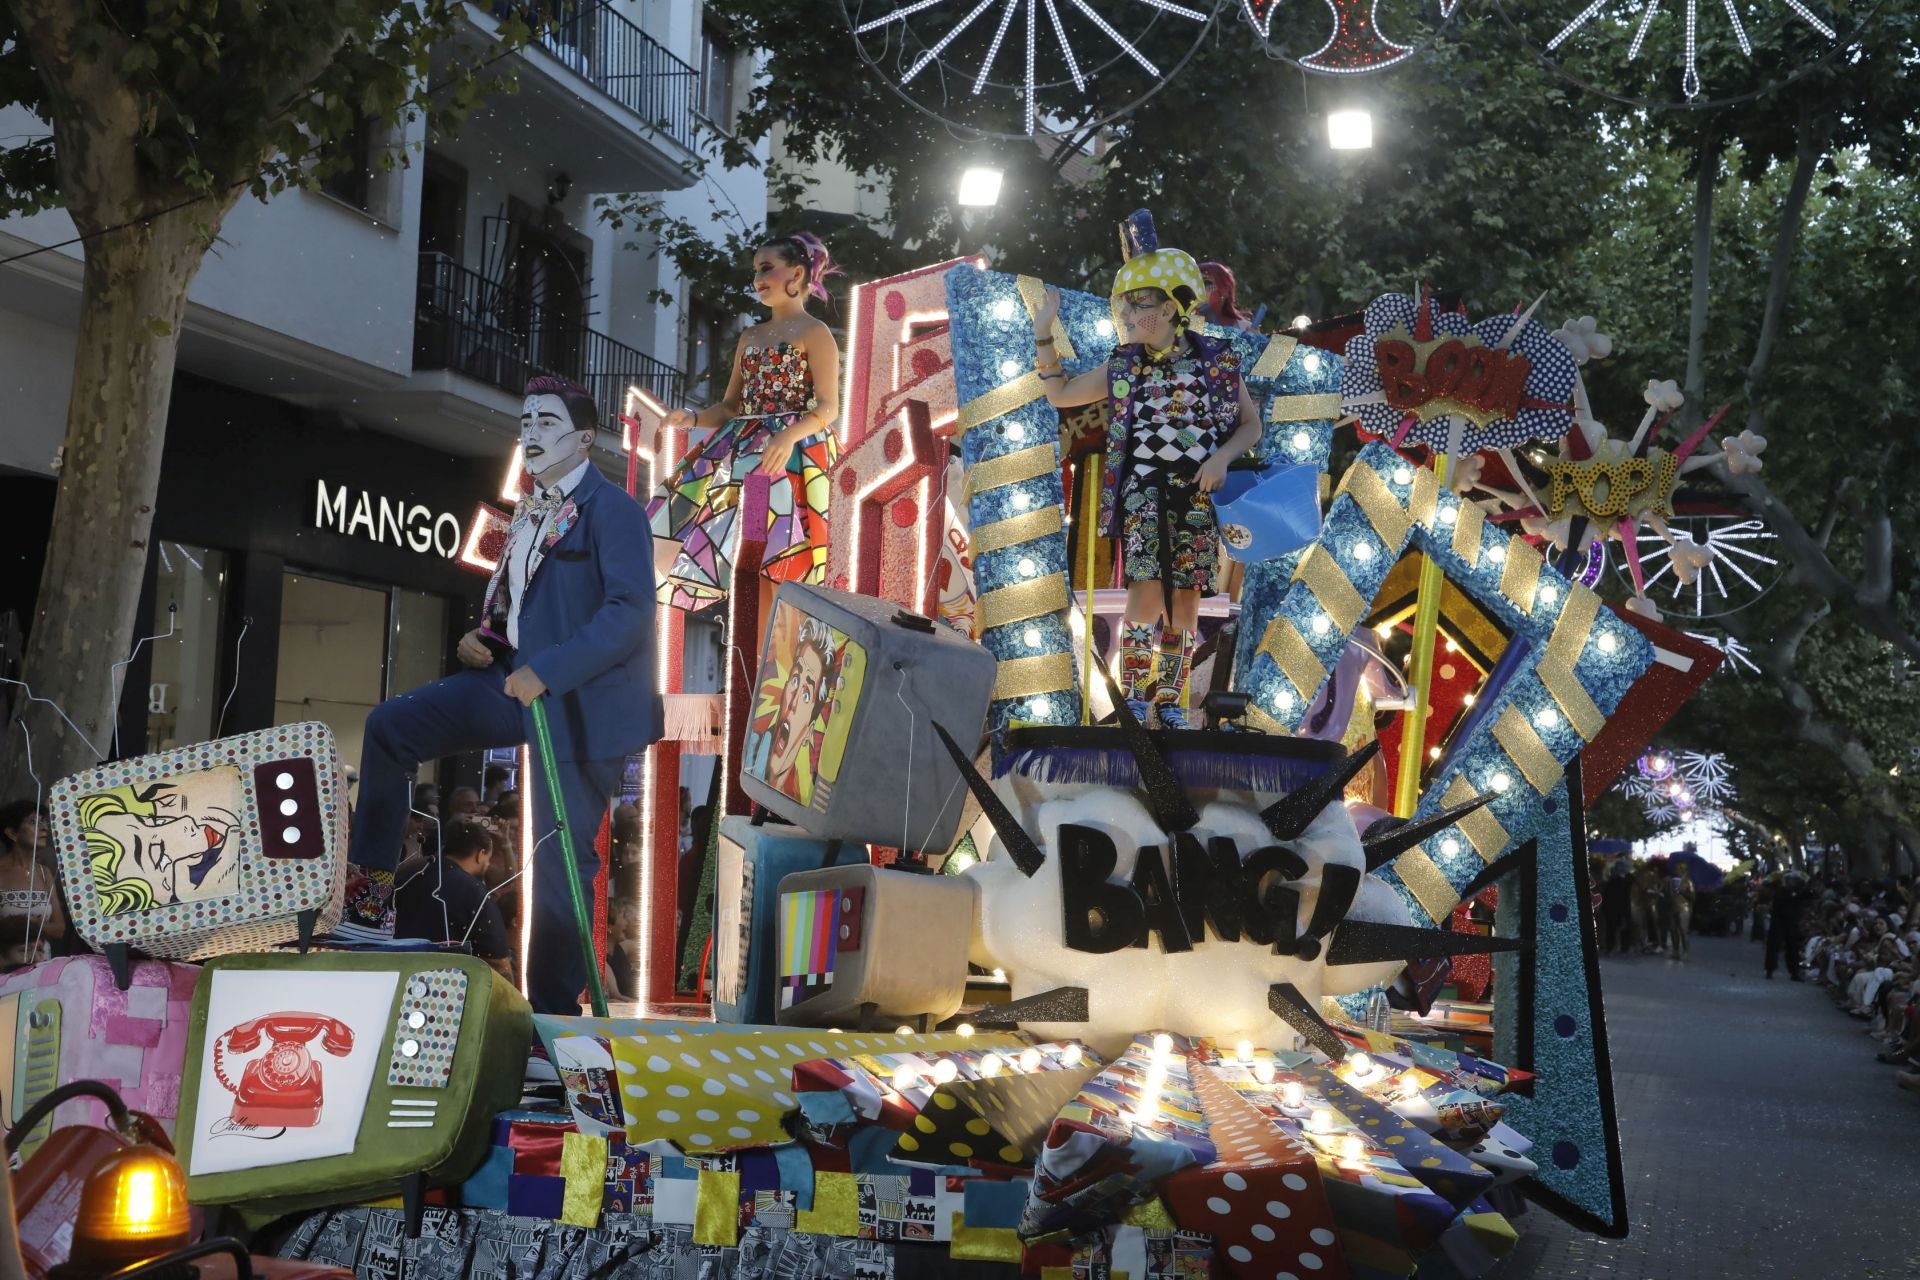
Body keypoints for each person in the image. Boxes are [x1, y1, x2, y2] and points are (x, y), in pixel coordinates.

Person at [349, 374, 661, 1013]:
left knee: (555, 863)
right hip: (511, 679)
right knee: (390, 726)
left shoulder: (616, 511)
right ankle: (368, 903)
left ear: (584, 438)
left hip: (585, 702)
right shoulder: (531, 507)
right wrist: (481, 639)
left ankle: (552, 1015)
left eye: (546, 423)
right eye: (526, 422)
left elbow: (630, 610)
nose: (531, 433)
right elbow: (516, 609)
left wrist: (548, 669)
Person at [1032, 245, 1263, 728]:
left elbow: (1250, 425)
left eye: (1139, 303)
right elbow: (1061, 394)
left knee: (1186, 602)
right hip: (1144, 492)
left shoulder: (1218, 363)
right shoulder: (1125, 365)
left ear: (1171, 307)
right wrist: (1043, 333)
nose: (1128, 313)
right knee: (1146, 595)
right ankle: (1136, 697)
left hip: (1197, 493)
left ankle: (1171, 704)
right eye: (1126, 302)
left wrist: (1221, 457)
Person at [651, 232, 843, 616]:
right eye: (756, 270)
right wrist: (691, 418)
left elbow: (828, 406)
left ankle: (774, 651)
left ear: (798, 273)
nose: (758, 279)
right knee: (740, 553)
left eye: (767, 268)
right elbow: (729, 406)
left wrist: (788, 436)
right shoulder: (750, 336)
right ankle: (751, 651)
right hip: (741, 452)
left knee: (785, 553)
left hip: (794, 460)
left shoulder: (814, 333)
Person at [394, 820, 514, 982]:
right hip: (444, 987)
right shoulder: (474, 892)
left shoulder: (411, 876)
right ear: (480, 854)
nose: (487, 865)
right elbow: (497, 960)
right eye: (488, 859)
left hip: (395, 974)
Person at [0, 800, 63, 966]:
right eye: (34, 822)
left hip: (41, 965)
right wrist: (30, 925)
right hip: (7, 967)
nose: (44, 828)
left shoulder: (44, 873)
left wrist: (30, 924)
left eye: (44, 823)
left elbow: (60, 929)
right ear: (12, 833)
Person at [1767, 869, 1812, 980]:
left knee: (1793, 947)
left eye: (1795, 880)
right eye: (1791, 880)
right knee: (1774, 946)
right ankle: (1770, 969)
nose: (1793, 882)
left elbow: (1811, 896)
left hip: (1792, 922)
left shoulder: (1798, 891)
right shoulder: (1781, 891)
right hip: (1779, 921)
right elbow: (1785, 902)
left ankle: (1794, 972)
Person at [1195, 261, 1256, 331]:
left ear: (1225, 290)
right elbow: (1193, 336)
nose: (1199, 289)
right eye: (1196, 283)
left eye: (1206, 283)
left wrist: (1254, 339)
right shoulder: (1189, 323)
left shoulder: (1245, 328)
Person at [1600, 859, 1633, 955]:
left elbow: (1606, 895)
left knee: (1614, 928)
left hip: (1614, 908)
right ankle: (1621, 947)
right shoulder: (1625, 879)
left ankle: (1615, 947)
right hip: (1619, 907)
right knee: (1618, 927)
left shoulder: (1613, 880)